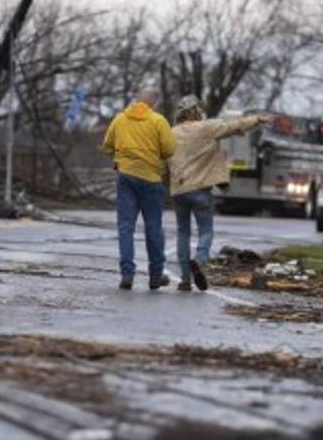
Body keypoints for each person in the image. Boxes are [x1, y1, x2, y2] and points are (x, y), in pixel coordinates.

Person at [168, 95, 273, 291]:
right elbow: (234, 125)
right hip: (201, 189)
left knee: (183, 232)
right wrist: (258, 119)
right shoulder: (207, 127)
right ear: (196, 111)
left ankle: (184, 279)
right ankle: (199, 260)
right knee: (206, 231)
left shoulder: (171, 133)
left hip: (179, 190)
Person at [101, 89, 176, 290]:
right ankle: (155, 275)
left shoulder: (119, 119)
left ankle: (127, 274)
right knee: (153, 227)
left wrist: (121, 158)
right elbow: (169, 149)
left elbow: (107, 146)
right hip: (151, 179)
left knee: (125, 227)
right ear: (153, 102)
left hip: (126, 177)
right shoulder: (158, 121)